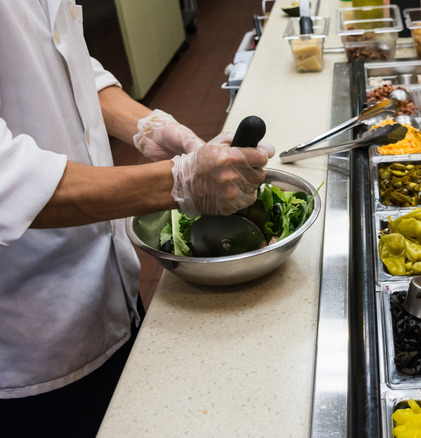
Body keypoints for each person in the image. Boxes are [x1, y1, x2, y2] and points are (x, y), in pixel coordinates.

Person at [0, 1, 275, 436]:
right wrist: (178, 182)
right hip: (31, 334)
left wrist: (147, 125)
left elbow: (69, 63)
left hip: (111, 287)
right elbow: (6, 179)